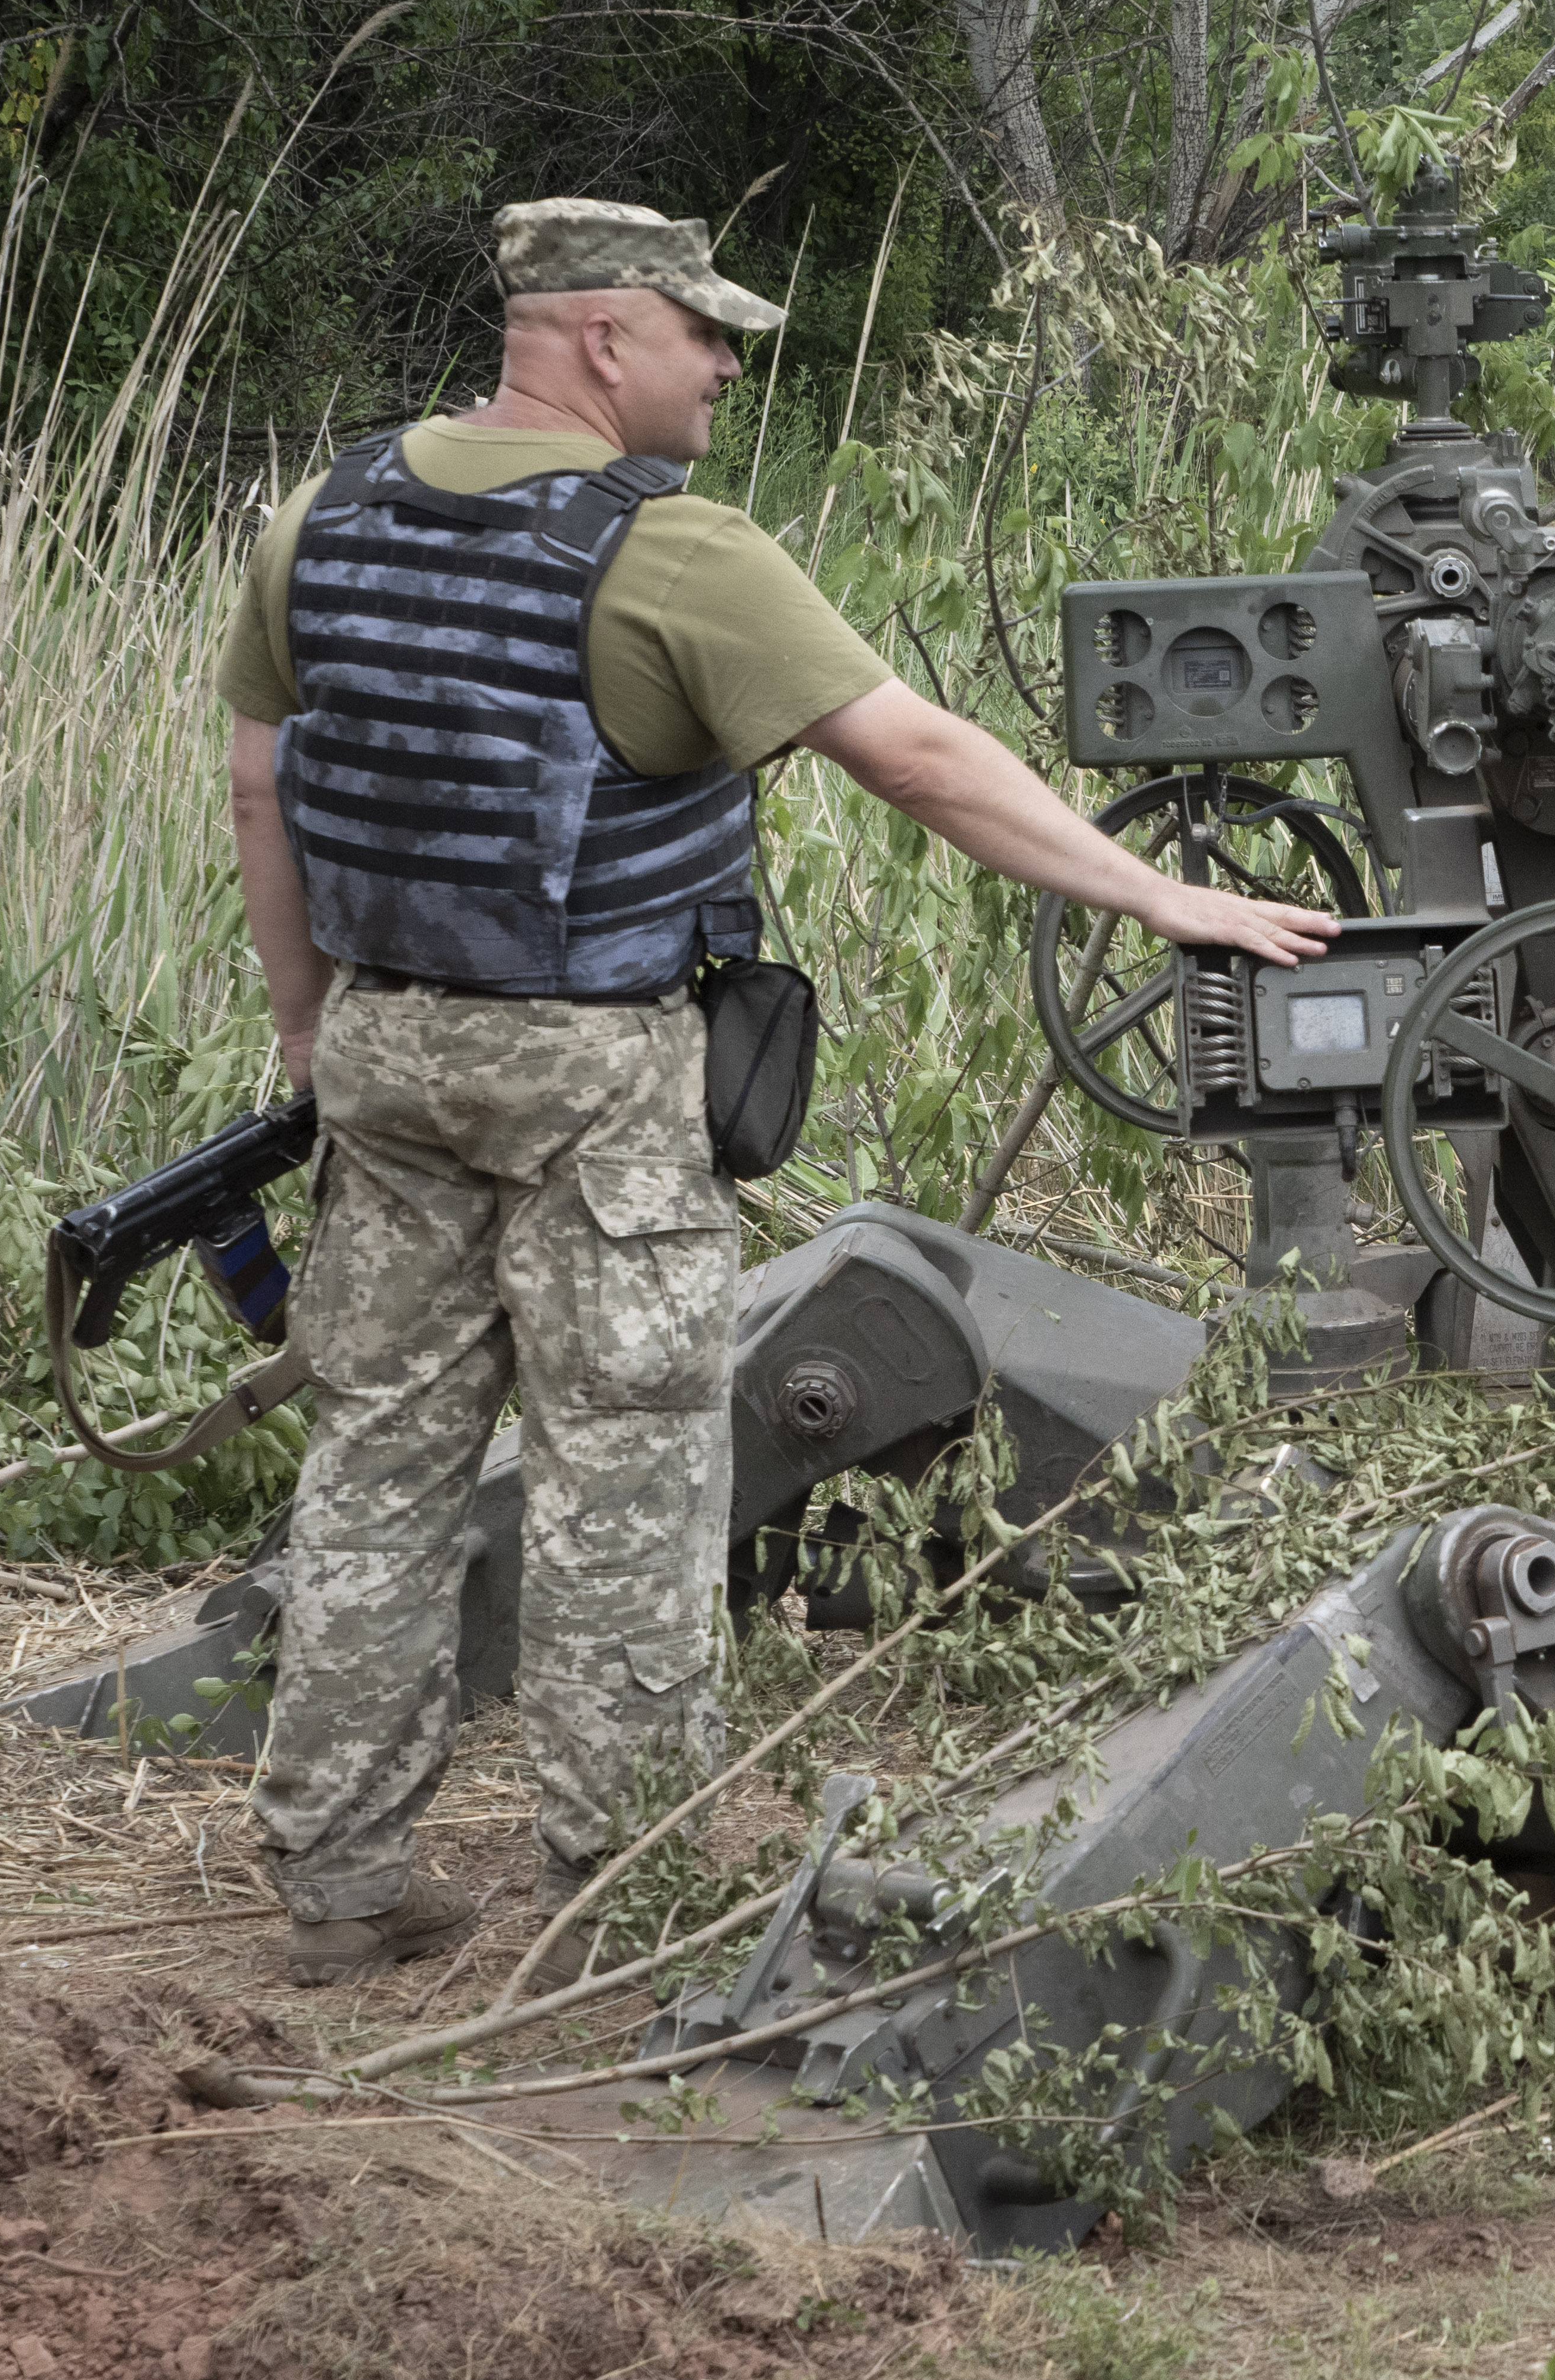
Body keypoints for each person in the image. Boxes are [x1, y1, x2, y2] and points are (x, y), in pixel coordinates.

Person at [215, 196, 1341, 1989]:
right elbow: (920, 757)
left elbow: (261, 778)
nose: (729, 368)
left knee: (379, 1462)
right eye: (705, 334)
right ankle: (622, 1903)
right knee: (628, 1480)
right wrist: (1160, 897)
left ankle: (338, 1887)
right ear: (603, 338)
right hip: (591, 1072)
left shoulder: (326, 516)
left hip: (383, 1050)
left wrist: (304, 1027)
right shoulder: (673, 551)